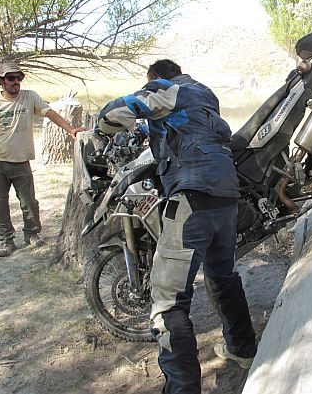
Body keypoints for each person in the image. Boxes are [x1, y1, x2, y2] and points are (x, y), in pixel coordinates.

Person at [97, 59, 256, 394]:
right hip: (226, 197)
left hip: (192, 197)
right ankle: (242, 349)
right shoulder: (204, 94)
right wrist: (147, 130)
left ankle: (183, 389)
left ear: (157, 77)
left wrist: (102, 126)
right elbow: (183, 129)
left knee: (168, 301)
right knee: (223, 276)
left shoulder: (166, 88)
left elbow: (116, 112)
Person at [0, 62, 86, 257]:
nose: (15, 82)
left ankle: (32, 234)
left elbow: (50, 113)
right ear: (1, 81)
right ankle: (5, 240)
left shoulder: (30, 97)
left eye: (18, 78)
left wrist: (70, 129)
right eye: (11, 78)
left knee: (29, 202)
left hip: (21, 161)